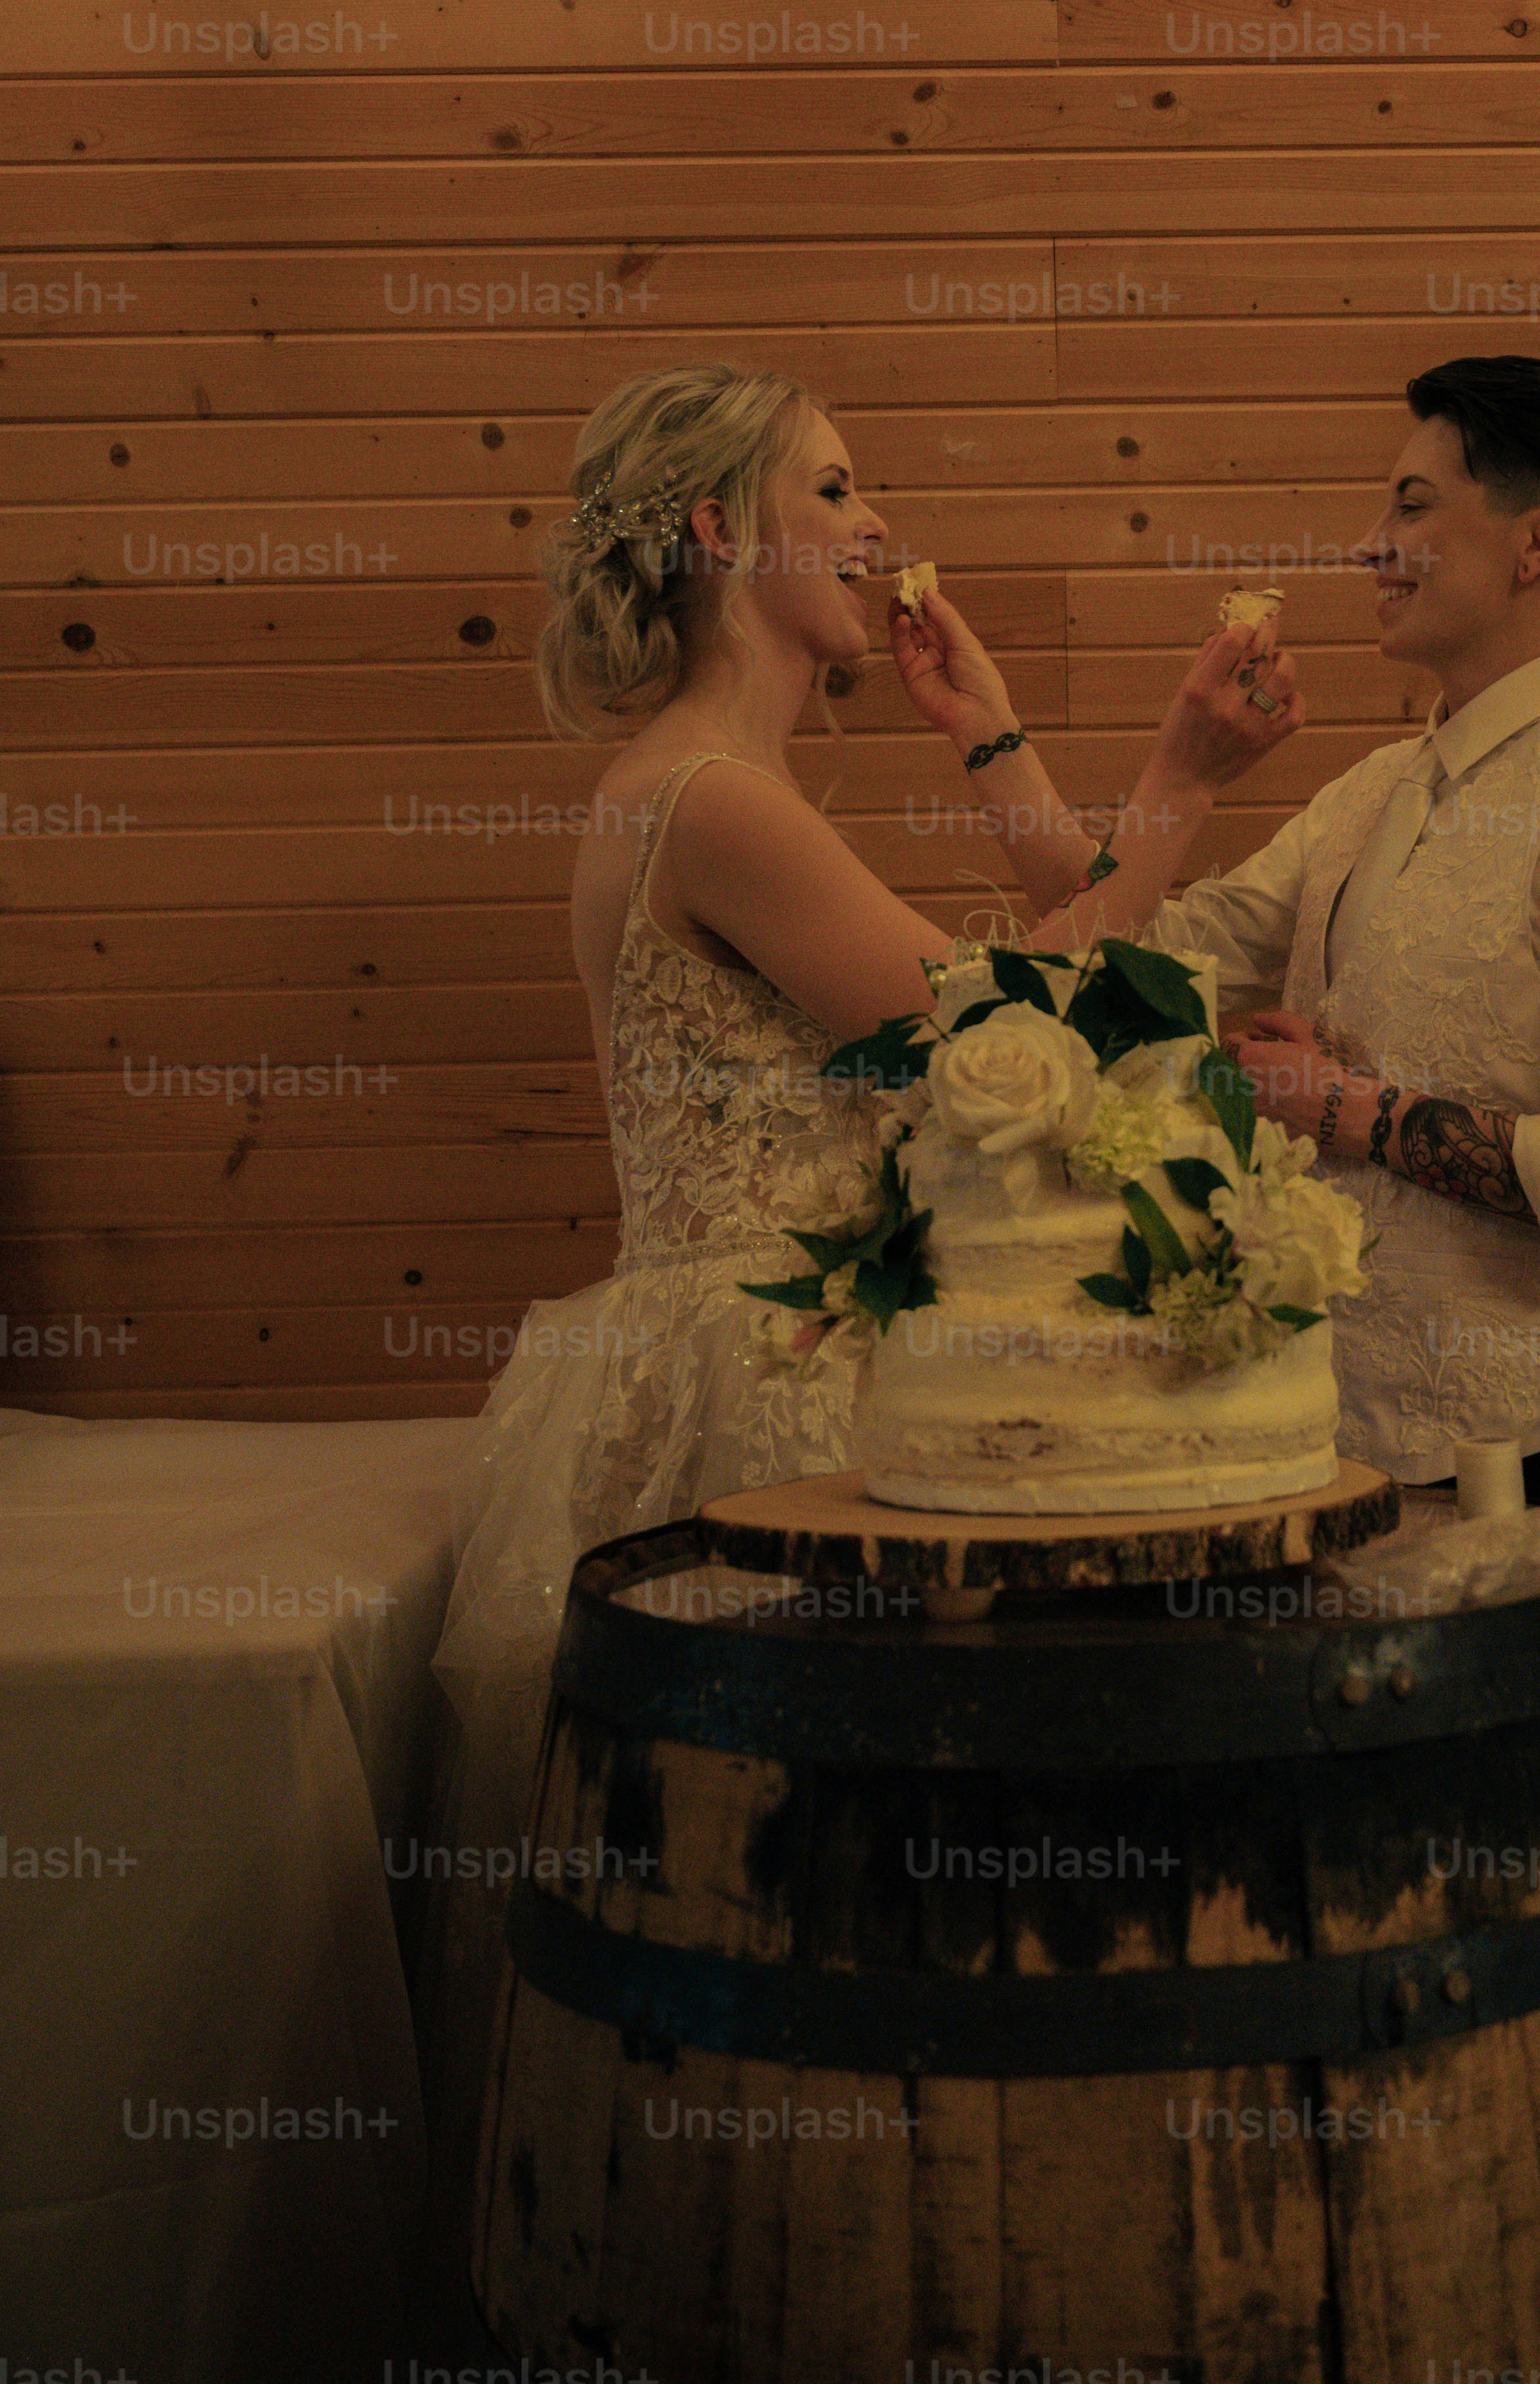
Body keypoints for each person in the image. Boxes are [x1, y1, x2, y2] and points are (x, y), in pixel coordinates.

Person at [411, 362, 1300, 2327]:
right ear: (717, 528)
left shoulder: (707, 788)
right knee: (818, 1907)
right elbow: (1007, 1037)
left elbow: (1042, 992)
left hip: (770, 1346)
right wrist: (1184, 775)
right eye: (832, 484)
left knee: (811, 1919)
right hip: (770, 1388)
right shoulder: (715, 800)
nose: (879, 518)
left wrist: (991, 736)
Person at [1129, 353, 1540, 1565]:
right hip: (1316, 1441)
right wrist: (1012, 741)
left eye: (1411, 508)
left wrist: (1349, 1110)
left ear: (1538, 545)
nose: (1370, 546)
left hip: (1527, 1462)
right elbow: (1144, 958)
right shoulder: (1376, 788)